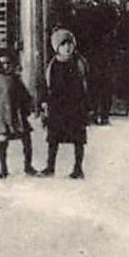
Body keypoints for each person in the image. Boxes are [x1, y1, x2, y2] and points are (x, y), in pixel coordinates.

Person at [38, 28, 90, 179]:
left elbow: (86, 85)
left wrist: (87, 105)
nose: (67, 48)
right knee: (53, 138)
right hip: (57, 107)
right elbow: (46, 85)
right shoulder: (53, 65)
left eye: (69, 44)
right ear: (57, 47)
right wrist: (44, 102)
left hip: (75, 106)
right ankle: (50, 166)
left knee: (78, 139)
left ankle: (78, 168)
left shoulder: (79, 63)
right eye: (63, 44)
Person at [0, 52, 36, 179]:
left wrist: (27, 109)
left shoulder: (17, 80)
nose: (6, 66)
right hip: (3, 119)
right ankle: (3, 169)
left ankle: (28, 166)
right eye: (3, 64)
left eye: (8, 63)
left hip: (18, 118)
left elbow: (26, 96)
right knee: (3, 143)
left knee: (27, 141)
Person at [74, 0, 118, 125]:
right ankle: (92, 112)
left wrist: (110, 43)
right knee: (91, 83)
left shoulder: (109, 10)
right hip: (89, 53)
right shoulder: (83, 12)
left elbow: (114, 29)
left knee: (106, 84)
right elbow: (79, 32)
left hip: (105, 53)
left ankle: (104, 113)